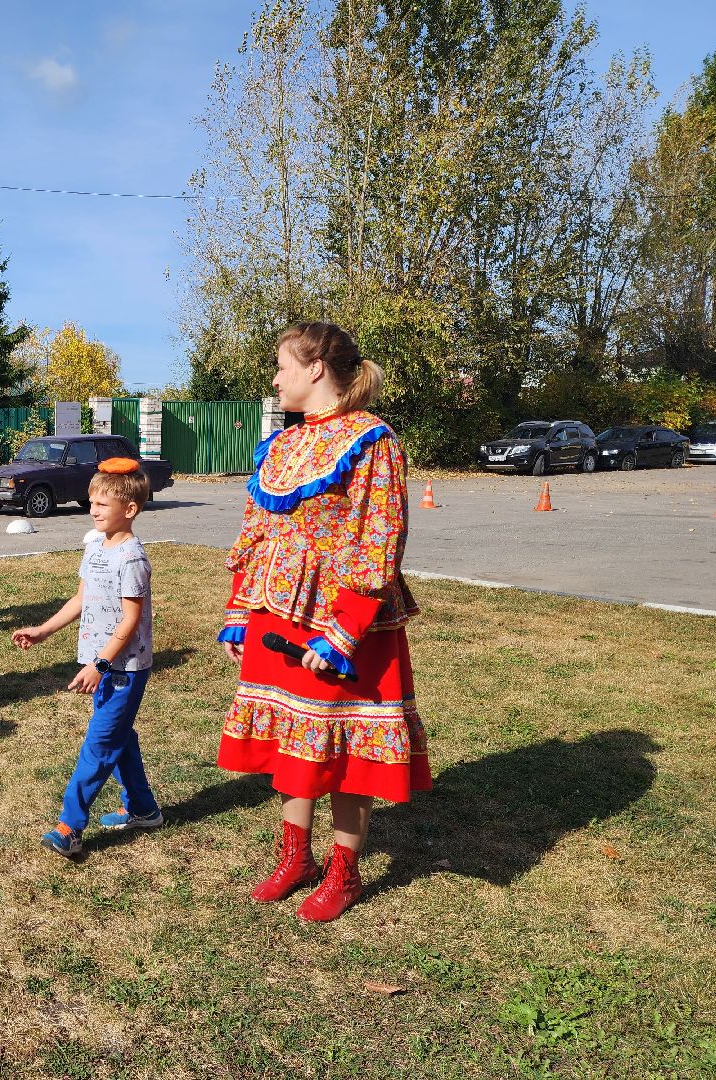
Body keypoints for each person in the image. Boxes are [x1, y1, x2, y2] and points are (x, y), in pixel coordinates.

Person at [216, 322, 430, 923]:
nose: (276, 377)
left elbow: (381, 537)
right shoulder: (282, 445)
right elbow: (255, 529)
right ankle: (295, 857)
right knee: (293, 739)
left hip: (339, 623)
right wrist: (240, 609)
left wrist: (345, 630)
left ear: (315, 370)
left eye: (283, 365)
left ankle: (344, 872)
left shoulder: (372, 441)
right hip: (274, 614)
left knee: (345, 746)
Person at [12, 459, 163, 858]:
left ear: (129, 509)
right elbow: (80, 599)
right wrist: (43, 630)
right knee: (119, 738)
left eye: (102, 504)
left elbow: (130, 621)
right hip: (103, 666)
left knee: (99, 746)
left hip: (122, 670)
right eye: (91, 501)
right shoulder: (96, 546)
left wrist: (100, 665)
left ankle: (70, 826)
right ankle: (144, 808)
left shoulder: (132, 558)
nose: (92, 508)